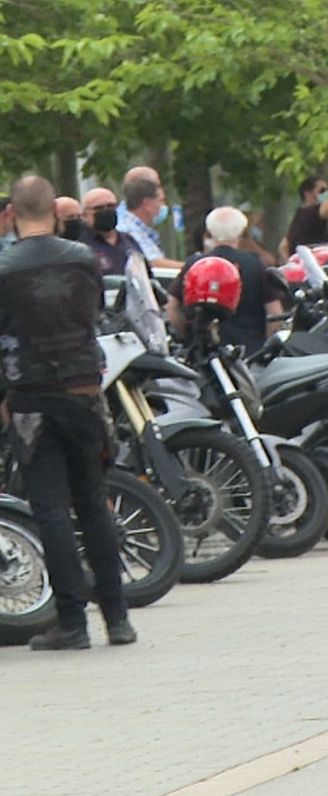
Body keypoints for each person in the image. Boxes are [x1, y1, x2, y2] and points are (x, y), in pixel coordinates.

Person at [0, 175, 134, 650]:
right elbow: (94, 313)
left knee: (51, 509)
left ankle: (73, 622)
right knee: (93, 503)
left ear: (13, 214)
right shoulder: (82, 259)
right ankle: (118, 618)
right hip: (84, 392)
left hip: (31, 398)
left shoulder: (3, 265)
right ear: (56, 214)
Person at [174, 207, 288, 354]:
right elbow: (274, 313)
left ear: (209, 231)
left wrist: (187, 338)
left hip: (201, 356)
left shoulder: (194, 265)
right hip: (248, 354)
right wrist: (264, 349)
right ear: (241, 232)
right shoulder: (255, 265)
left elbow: (172, 307)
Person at [117, 175, 182, 267]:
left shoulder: (142, 230)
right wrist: (190, 266)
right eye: (161, 201)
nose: (164, 206)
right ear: (147, 204)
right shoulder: (129, 230)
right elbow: (154, 263)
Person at [284, 176, 328, 256]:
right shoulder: (311, 213)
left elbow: (283, 245)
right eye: (322, 191)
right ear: (307, 194)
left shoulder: (299, 215)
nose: (326, 194)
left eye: (327, 190)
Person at [78, 188, 129, 275]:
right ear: (84, 215)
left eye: (111, 206)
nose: (106, 211)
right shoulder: (80, 247)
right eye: (99, 208)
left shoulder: (129, 240)